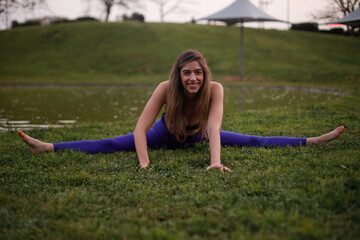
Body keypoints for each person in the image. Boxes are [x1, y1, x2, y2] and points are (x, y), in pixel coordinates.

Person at [18, 49, 345, 172]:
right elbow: (138, 130)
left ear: (205, 74)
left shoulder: (215, 90)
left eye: (198, 72)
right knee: (111, 143)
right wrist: (144, 161)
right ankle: (47, 146)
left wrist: (215, 162)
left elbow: (214, 128)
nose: (193, 78)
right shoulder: (165, 87)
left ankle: (311, 141)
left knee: (253, 140)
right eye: (186, 72)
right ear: (179, 74)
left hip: (198, 137)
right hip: (164, 134)